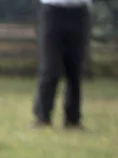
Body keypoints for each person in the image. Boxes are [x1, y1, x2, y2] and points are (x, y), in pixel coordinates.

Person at [33, 0, 91, 130]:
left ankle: (73, 119)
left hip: (79, 11)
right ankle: (43, 117)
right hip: (52, 10)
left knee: (75, 70)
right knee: (50, 68)